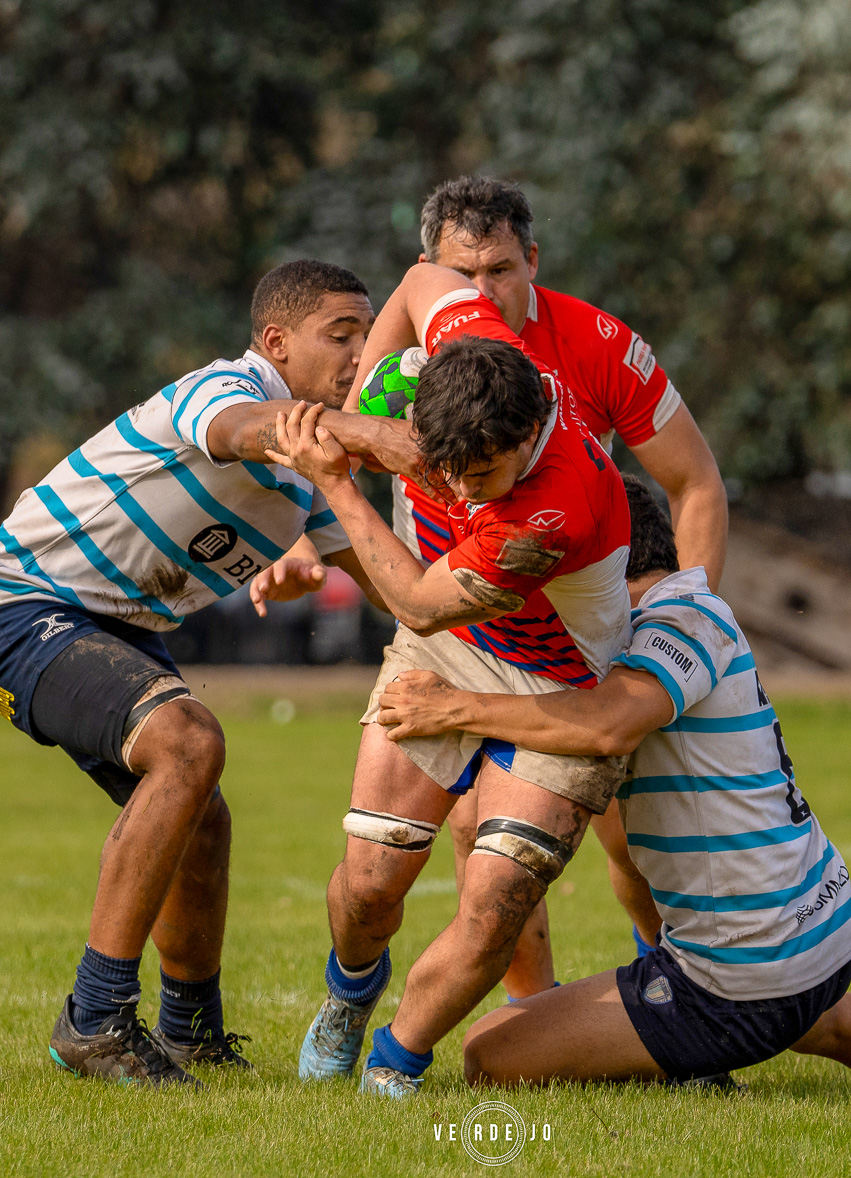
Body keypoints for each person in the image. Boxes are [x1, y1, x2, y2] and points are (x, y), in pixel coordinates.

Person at [373, 476, 851, 1094]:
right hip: (816, 934)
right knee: (820, 1022)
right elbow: (624, 852)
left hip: (746, 975)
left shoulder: (677, 618)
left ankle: (691, 1056)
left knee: (490, 1052)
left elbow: (608, 727)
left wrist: (454, 707)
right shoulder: (679, 617)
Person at [0, 260, 416, 1086]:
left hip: (107, 623)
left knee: (206, 817)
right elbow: (240, 431)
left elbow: (402, 591)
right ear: (276, 342)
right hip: (3, 603)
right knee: (188, 744)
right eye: (342, 334)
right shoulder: (224, 388)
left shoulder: (313, 477)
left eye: (367, 336)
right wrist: (382, 437)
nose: (360, 354)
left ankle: (191, 1028)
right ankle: (95, 1022)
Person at [264, 261, 632, 1098]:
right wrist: (365, 422)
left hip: (559, 681)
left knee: (498, 896)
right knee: (368, 883)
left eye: (483, 476)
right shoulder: (475, 345)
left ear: (530, 430)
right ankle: (350, 998)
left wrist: (333, 476)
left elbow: (421, 605)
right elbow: (423, 274)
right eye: (449, 469)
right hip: (448, 653)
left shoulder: (554, 505)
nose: (463, 490)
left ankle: (397, 1062)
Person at [411, 177, 728, 996]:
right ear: (430, 270)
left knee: (633, 839)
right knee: (481, 825)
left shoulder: (597, 342)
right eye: (463, 273)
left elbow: (695, 485)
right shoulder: (422, 348)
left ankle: (684, 995)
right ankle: (531, 1013)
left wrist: (689, 625)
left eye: (502, 270)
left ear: (533, 261)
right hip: (475, 617)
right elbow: (345, 431)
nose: (483, 291)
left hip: (595, 613)